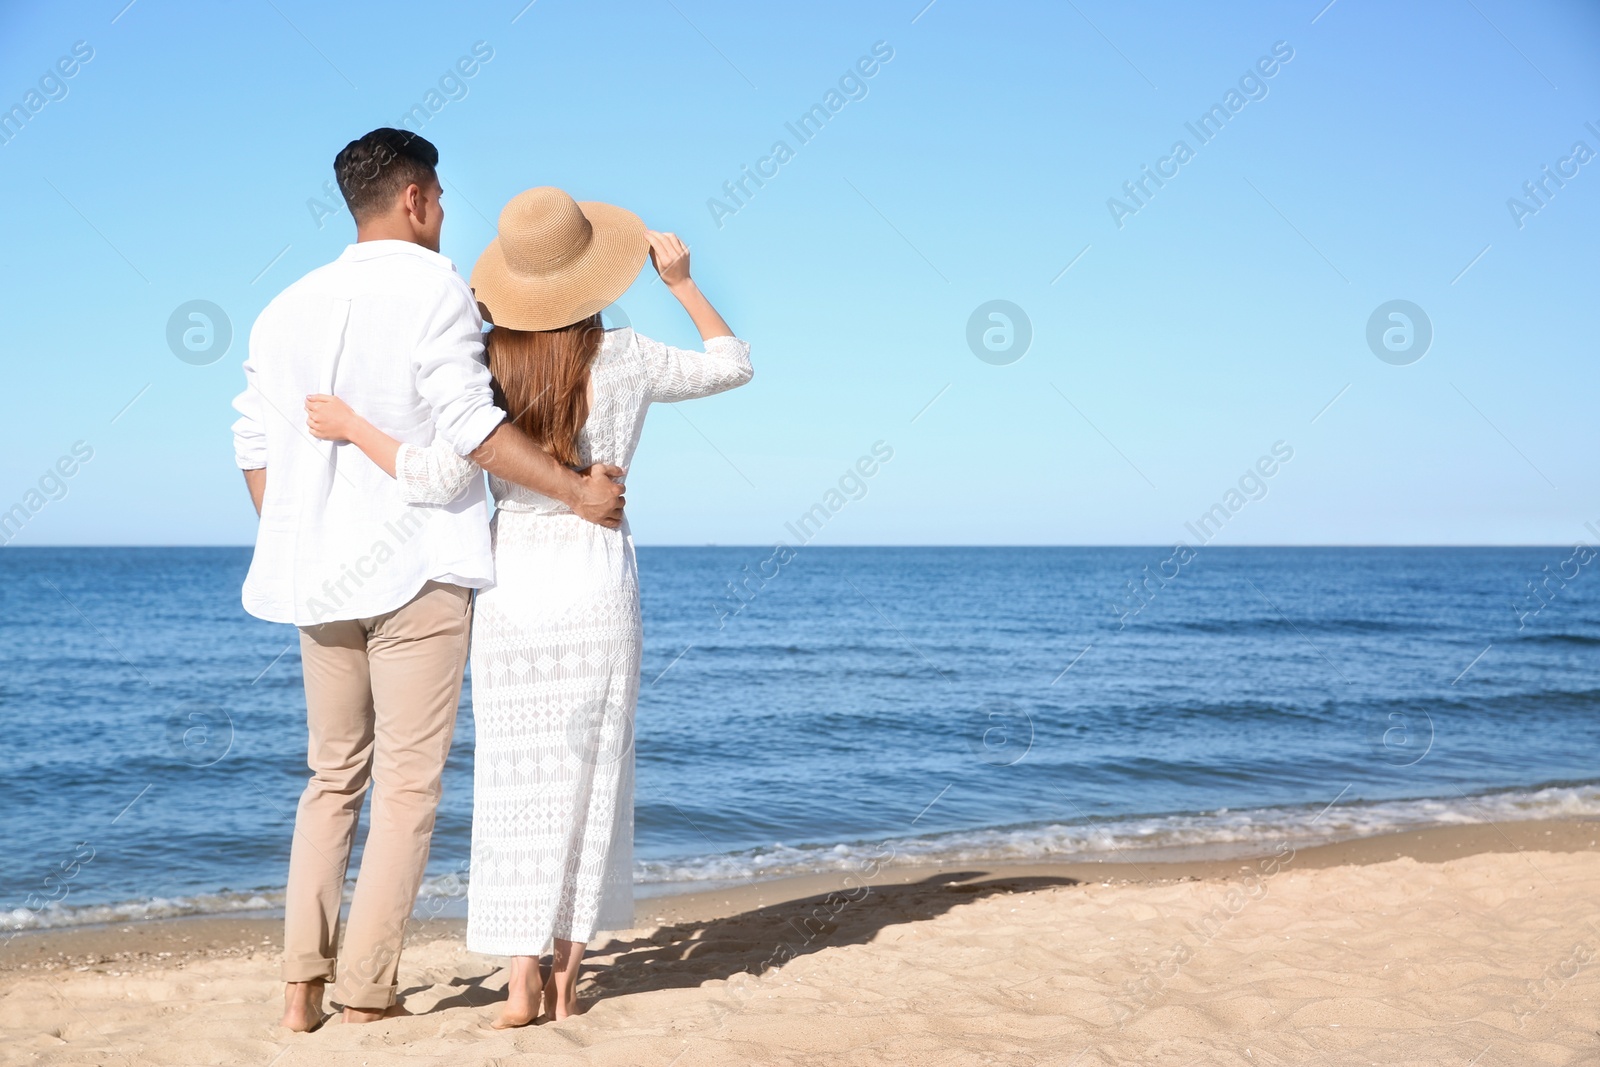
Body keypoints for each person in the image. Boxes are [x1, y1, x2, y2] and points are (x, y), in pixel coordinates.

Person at [304, 185, 751, 1026]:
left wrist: (354, 425)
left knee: (515, 785)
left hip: (513, 582)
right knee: (593, 782)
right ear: (593, 270)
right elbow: (733, 363)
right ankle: (569, 985)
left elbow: (435, 475)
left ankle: (518, 986)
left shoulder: (486, 363)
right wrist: (684, 281)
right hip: (597, 575)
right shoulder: (628, 356)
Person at [231, 130, 626, 1032]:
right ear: (414, 198)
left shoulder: (282, 307)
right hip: (417, 570)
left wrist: (304, 537)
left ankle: (301, 991)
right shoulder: (435, 287)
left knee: (331, 779)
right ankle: (366, 990)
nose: (446, 214)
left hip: (319, 579)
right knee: (408, 786)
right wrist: (573, 491)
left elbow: (254, 446)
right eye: (441, 197)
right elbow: (471, 424)